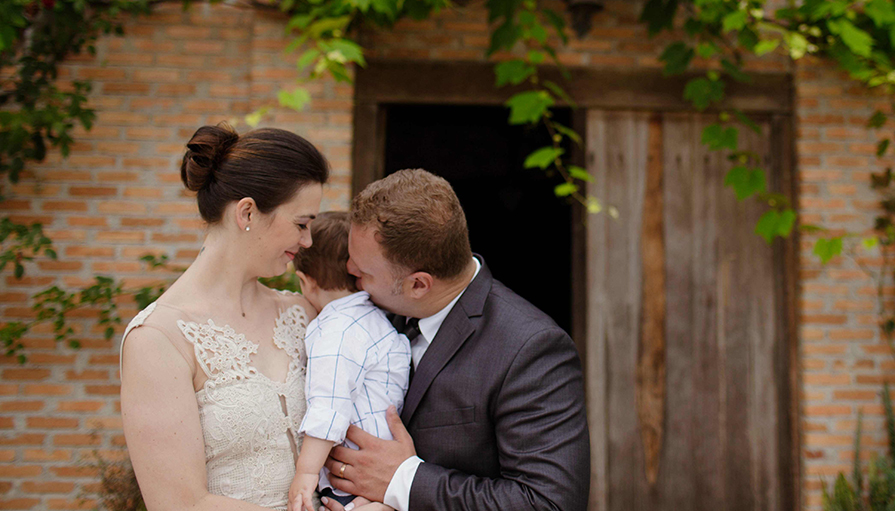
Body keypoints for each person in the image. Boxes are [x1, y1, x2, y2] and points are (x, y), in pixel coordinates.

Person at [318, 168, 591, 511]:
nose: (350, 276)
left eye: (362, 273)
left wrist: (405, 482)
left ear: (418, 284)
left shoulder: (531, 348)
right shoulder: (371, 312)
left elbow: (549, 503)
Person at [120, 124, 330, 511]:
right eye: (301, 224)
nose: (307, 242)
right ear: (247, 212)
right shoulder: (159, 338)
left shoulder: (302, 314)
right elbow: (178, 504)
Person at [288, 212, 410, 511]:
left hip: (356, 478)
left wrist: (306, 472)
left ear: (305, 281)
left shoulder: (337, 331)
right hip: (383, 472)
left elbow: (329, 406)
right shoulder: (376, 319)